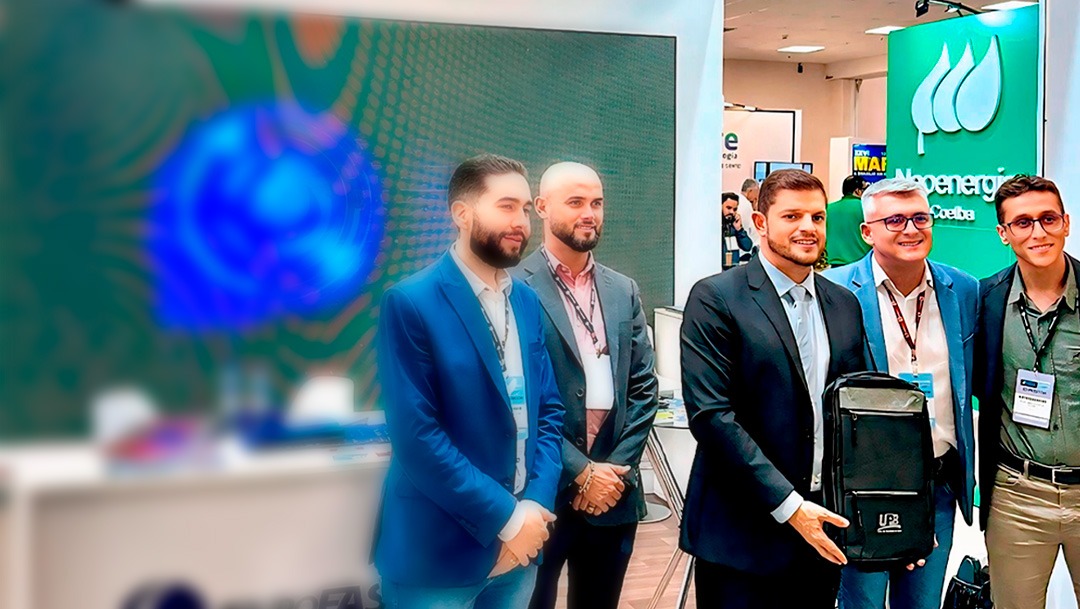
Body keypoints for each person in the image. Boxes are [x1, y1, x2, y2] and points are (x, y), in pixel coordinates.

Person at [374, 154, 565, 609]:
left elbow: (550, 412)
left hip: (521, 549)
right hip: (437, 555)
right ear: (461, 213)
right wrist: (508, 519)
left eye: (525, 209)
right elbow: (417, 437)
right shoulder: (411, 302)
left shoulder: (526, 301)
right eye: (506, 206)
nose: (521, 222)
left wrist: (534, 507)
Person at [680, 169, 868, 609]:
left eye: (817, 217)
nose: (808, 227)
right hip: (740, 534)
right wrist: (789, 505)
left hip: (820, 527)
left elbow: (855, 410)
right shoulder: (716, 298)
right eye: (792, 216)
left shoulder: (843, 304)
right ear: (760, 223)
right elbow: (711, 416)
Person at [824, 178, 978, 609]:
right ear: (867, 232)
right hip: (863, 487)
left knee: (922, 604)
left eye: (920, 218)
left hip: (937, 483)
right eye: (895, 220)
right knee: (862, 603)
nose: (911, 229)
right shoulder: (835, 291)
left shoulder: (963, 289)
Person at [520, 162, 659, 609]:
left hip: (614, 493)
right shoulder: (513, 288)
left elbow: (643, 387)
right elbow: (517, 399)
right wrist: (581, 471)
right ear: (542, 207)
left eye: (596, 203)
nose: (589, 213)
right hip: (542, 489)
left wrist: (614, 471)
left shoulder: (623, 289)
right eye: (575, 202)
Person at [974, 175, 1080, 609]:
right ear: (1004, 233)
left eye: (1048, 219)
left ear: (1065, 223)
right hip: (1018, 495)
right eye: (1022, 223)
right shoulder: (985, 300)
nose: (1038, 232)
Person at [826, 175, 872, 268]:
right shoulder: (867, 207)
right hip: (862, 263)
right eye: (865, 189)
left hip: (835, 265)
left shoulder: (828, 209)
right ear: (857, 191)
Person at [722, 191, 754, 269]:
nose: (732, 212)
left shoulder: (733, 226)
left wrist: (739, 229)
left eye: (735, 209)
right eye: (728, 208)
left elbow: (747, 246)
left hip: (733, 268)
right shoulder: (715, 227)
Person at [739, 178, 762, 249]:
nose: (756, 199)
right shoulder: (746, 204)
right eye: (756, 197)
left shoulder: (735, 199)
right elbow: (753, 229)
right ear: (750, 191)